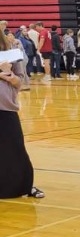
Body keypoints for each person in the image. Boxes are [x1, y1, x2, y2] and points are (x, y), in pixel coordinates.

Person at [0, 32, 44, 199]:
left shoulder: (11, 52)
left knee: (15, 146)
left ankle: (25, 186)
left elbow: (20, 80)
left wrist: (9, 76)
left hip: (6, 107)